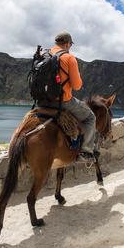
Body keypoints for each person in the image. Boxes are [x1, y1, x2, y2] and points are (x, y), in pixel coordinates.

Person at [48, 32, 96, 160]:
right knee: (90, 117)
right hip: (62, 101)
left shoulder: (44, 55)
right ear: (68, 44)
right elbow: (76, 86)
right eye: (70, 45)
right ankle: (86, 151)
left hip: (43, 101)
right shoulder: (69, 58)